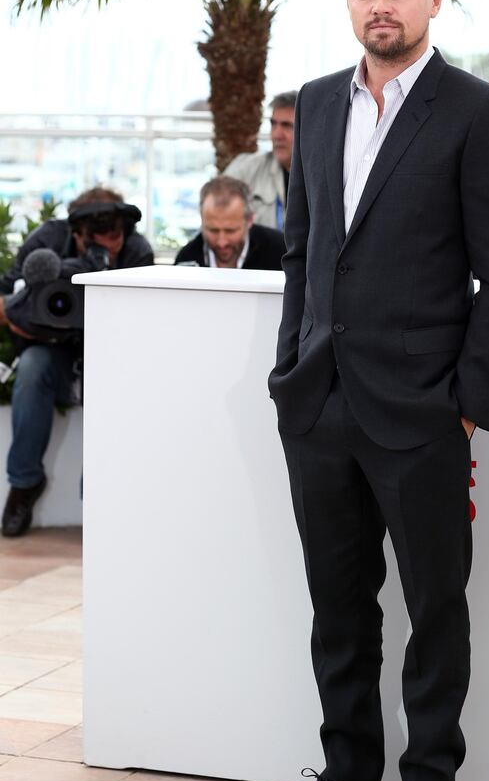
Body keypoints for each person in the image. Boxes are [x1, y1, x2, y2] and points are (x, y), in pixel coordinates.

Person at [261, 0, 489, 781]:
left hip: (420, 411)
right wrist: (289, 366)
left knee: (433, 607)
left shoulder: (476, 111)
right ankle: (344, 779)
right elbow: (303, 252)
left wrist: (467, 400)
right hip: (320, 403)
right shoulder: (322, 106)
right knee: (338, 604)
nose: (382, 5)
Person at [0, 186, 153, 537]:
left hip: (110, 351)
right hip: (50, 348)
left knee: (110, 383)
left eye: (114, 238)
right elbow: (4, 298)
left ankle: (95, 498)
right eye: (96, 241)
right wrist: (27, 315)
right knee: (32, 368)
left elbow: (147, 320)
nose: (108, 247)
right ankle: (24, 484)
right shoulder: (47, 242)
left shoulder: (137, 249)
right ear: (76, 234)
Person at [174, 176, 284, 270]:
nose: (222, 242)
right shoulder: (186, 260)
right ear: (202, 220)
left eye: (230, 231)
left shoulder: (280, 252)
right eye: (213, 230)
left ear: (249, 220)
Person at [224, 91, 297, 229]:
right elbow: (217, 208)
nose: (276, 135)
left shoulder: (323, 176)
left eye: (287, 126)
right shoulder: (246, 168)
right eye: (273, 124)